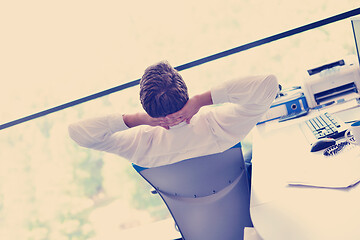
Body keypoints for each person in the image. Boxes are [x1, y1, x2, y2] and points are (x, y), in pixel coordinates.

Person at [68, 61, 278, 168]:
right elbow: (268, 85)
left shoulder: (140, 147)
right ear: (185, 92)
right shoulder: (220, 127)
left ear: (145, 106)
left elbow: (77, 133)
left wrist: (137, 119)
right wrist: (201, 100)